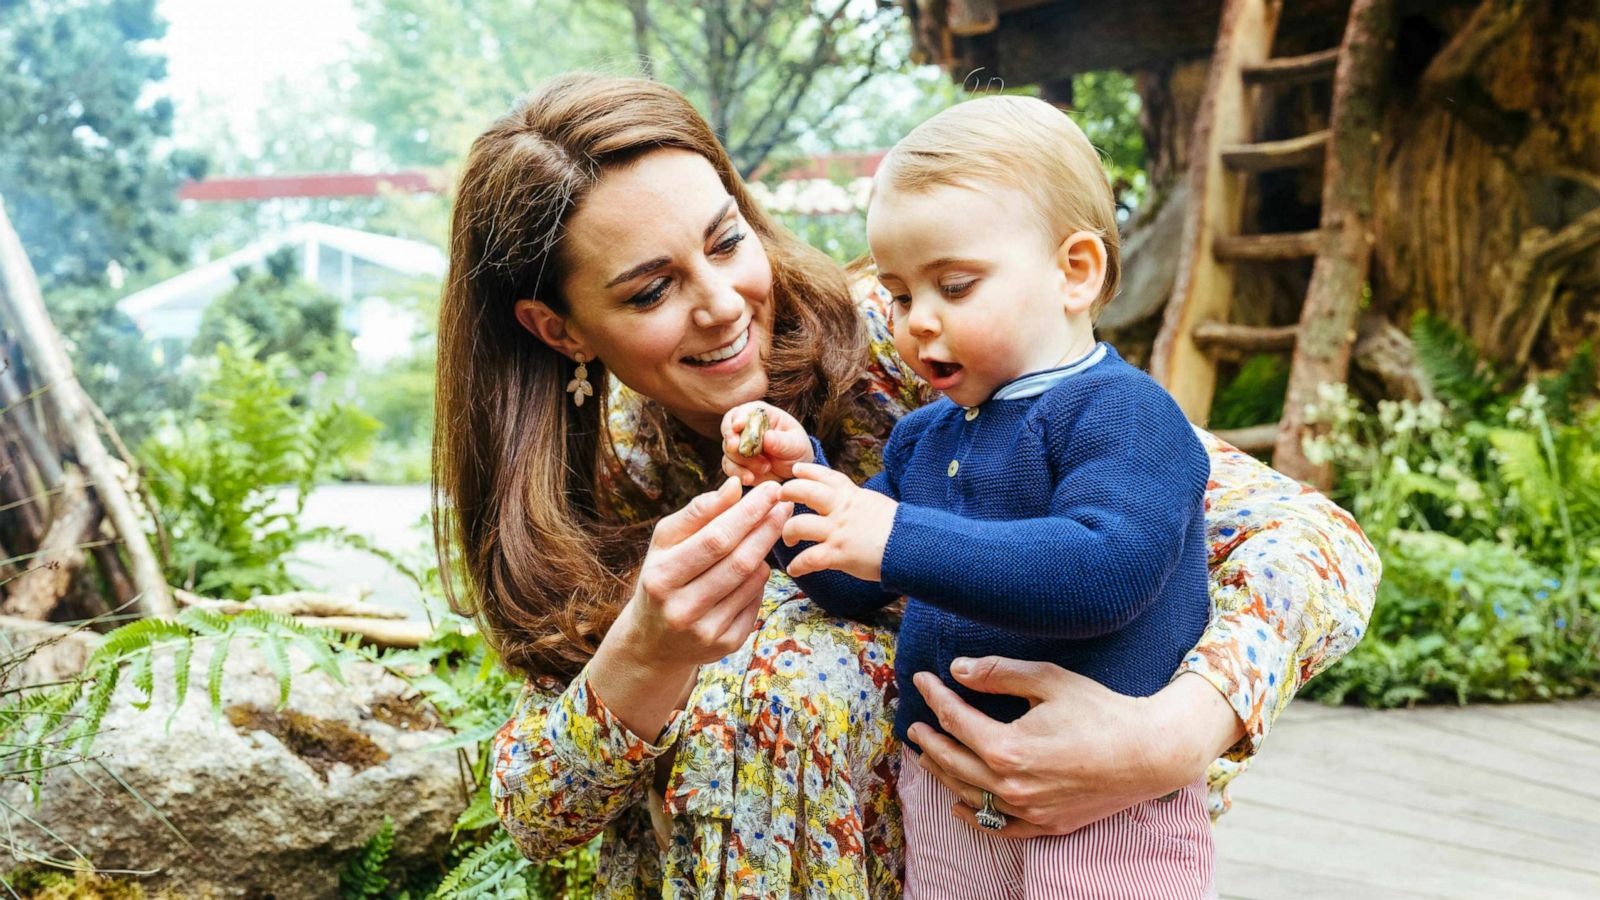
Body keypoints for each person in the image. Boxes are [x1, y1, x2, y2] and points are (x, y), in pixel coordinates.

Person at [436, 73, 1380, 899]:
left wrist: (1174, 736)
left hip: (1052, 847)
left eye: (726, 243)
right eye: (650, 291)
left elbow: (1315, 541)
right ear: (558, 329)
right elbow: (537, 813)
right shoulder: (591, 494)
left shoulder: (927, 344)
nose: (722, 304)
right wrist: (646, 654)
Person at [720, 95, 1218, 898]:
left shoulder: (1124, 413)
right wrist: (793, 488)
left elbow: (1107, 570)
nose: (919, 322)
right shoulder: (927, 438)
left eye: (955, 285)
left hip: (1106, 805)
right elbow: (850, 580)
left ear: (1074, 271)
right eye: (902, 294)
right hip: (948, 793)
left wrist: (895, 537)